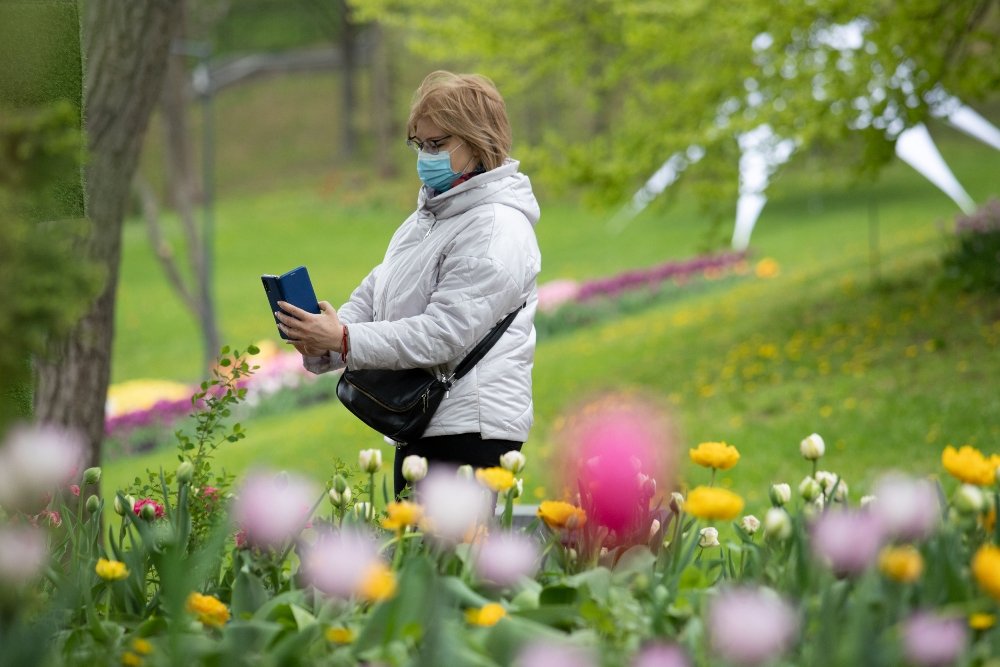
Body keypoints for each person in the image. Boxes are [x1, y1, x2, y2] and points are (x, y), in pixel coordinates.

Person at [274, 71, 541, 497]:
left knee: (446, 563)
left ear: (478, 142)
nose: (425, 157)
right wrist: (324, 338)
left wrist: (344, 339)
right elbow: (379, 290)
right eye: (419, 145)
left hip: (470, 430)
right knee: (415, 561)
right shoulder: (431, 216)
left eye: (437, 145)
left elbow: (444, 335)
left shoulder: (494, 227)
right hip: (423, 424)